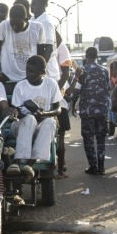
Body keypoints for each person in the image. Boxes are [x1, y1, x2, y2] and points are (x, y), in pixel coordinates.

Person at [9, 55, 61, 164]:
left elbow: (58, 109)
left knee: (50, 121)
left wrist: (44, 114)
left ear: (42, 72)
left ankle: (35, 160)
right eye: (27, 70)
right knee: (30, 119)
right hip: (21, 126)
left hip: (41, 126)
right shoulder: (20, 86)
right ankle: (22, 159)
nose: (28, 74)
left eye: (32, 72)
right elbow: (16, 111)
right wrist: (27, 114)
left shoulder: (51, 84)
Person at [0, 4, 45, 95]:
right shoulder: (4, 26)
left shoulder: (37, 28)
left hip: (28, 79)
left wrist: (37, 75)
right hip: (7, 78)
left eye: (18, 24)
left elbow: (40, 55)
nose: (14, 27)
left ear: (26, 19)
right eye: (12, 23)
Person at [74, 47, 111, 175]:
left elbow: (77, 90)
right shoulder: (104, 70)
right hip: (101, 110)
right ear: (97, 56)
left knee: (88, 139)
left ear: (86, 56)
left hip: (87, 111)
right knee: (101, 138)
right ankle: (101, 166)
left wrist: (73, 105)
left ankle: (93, 166)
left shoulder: (82, 71)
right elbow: (108, 89)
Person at [54, 33, 74, 178]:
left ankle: (60, 168)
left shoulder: (60, 48)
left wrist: (55, 94)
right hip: (59, 99)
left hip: (58, 100)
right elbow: (66, 73)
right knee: (59, 137)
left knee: (59, 137)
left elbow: (66, 73)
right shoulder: (61, 48)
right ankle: (60, 169)